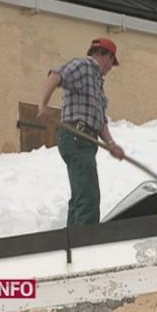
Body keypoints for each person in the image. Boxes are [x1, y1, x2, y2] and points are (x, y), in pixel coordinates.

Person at [37, 38, 125, 226]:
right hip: (76, 136)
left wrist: (111, 144)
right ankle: (86, 245)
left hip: (86, 140)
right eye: (111, 62)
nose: (111, 68)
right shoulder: (83, 66)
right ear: (104, 55)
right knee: (88, 197)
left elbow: (99, 122)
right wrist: (43, 104)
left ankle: (72, 242)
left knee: (81, 195)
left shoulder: (98, 85)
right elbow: (55, 75)